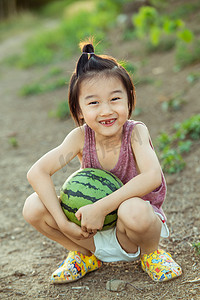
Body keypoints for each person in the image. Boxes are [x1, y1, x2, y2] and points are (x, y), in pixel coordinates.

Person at [23, 41, 182, 284]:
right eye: (94, 103)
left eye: (115, 99)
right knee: (33, 206)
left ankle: (151, 254)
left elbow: (152, 177)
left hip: (130, 230)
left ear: (129, 100)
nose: (106, 110)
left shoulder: (136, 133)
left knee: (132, 208)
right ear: (79, 111)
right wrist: (65, 225)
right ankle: (85, 256)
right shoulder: (79, 138)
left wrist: (100, 208)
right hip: (89, 232)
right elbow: (38, 172)